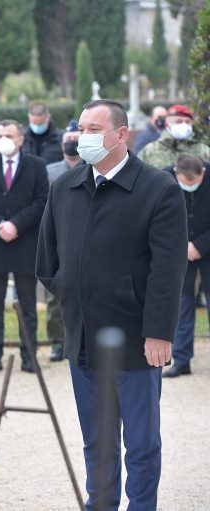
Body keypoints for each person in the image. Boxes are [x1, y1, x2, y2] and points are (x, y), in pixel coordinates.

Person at [36, 99, 187, 510]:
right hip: (84, 338)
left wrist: (159, 332)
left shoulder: (158, 189)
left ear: (121, 135)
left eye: (93, 130)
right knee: (96, 440)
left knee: (141, 442)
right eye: (80, 128)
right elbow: (48, 262)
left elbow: (168, 270)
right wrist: (77, 297)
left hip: (137, 339)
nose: (81, 137)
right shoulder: (64, 188)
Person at [0, 119, 49, 375]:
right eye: (0, 135)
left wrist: (16, 225)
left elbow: (41, 202)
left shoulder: (36, 166)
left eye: (8, 135)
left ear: (20, 139)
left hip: (24, 242)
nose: (3, 139)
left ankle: (29, 355)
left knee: (27, 305)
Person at [165, 154, 210, 378]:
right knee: (182, 304)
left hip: (207, 247)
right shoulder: (164, 180)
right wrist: (182, 245)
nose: (192, 186)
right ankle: (181, 360)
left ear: (203, 172)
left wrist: (200, 246)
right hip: (179, 250)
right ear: (176, 173)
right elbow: (160, 219)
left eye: (196, 182)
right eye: (187, 182)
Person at [44, 120, 80, 362]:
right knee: (54, 297)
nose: (72, 143)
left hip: (84, 239)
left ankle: (79, 339)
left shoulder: (92, 169)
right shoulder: (50, 171)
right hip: (57, 240)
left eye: (76, 139)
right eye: (68, 140)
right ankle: (57, 342)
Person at [139, 104, 210, 169]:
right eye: (178, 122)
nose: (184, 125)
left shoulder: (203, 150)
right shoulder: (150, 151)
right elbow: (137, 174)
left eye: (187, 122)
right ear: (167, 125)